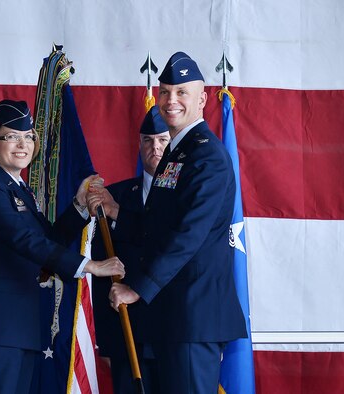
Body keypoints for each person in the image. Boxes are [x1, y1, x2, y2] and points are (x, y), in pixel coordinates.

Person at [0, 99, 125, 394]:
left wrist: (79, 205)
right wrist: (90, 266)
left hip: (19, 328)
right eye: (12, 136)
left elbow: (48, 239)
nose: (23, 144)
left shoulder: (16, 188)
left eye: (29, 136)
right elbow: (25, 240)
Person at [108, 52, 247, 393]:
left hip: (193, 316)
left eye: (182, 92)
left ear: (202, 98)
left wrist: (137, 287)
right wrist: (118, 213)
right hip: (175, 315)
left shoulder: (207, 156)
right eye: (166, 91)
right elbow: (160, 224)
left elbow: (189, 234)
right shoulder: (179, 153)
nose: (171, 100)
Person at [88, 105, 170, 394]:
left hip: (176, 335)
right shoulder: (117, 195)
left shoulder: (189, 194)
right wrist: (107, 342)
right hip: (128, 334)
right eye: (148, 140)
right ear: (138, 144)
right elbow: (103, 269)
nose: (155, 148)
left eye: (163, 140)